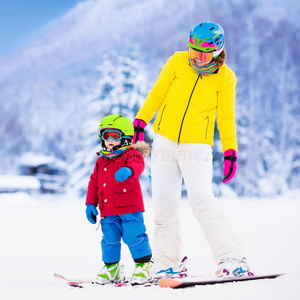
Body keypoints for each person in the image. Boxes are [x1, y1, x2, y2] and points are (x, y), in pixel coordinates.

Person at [133, 22, 250, 278]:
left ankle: (231, 257)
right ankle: (166, 261)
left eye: (206, 52)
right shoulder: (177, 62)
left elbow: (227, 117)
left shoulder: (225, 77)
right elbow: (158, 94)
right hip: (164, 142)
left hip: (196, 146)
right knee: (164, 204)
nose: (199, 56)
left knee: (202, 201)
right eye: (194, 50)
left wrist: (230, 151)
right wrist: (141, 121)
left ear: (218, 51)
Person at [85, 114, 152, 285]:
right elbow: (94, 183)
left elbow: (138, 164)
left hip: (129, 207)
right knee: (109, 239)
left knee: (134, 236)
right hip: (108, 211)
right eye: (106, 135)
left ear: (126, 137)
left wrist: (129, 170)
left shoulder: (131, 154)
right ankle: (111, 269)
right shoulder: (101, 161)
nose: (109, 140)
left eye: (114, 135)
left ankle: (143, 266)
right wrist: (91, 204)